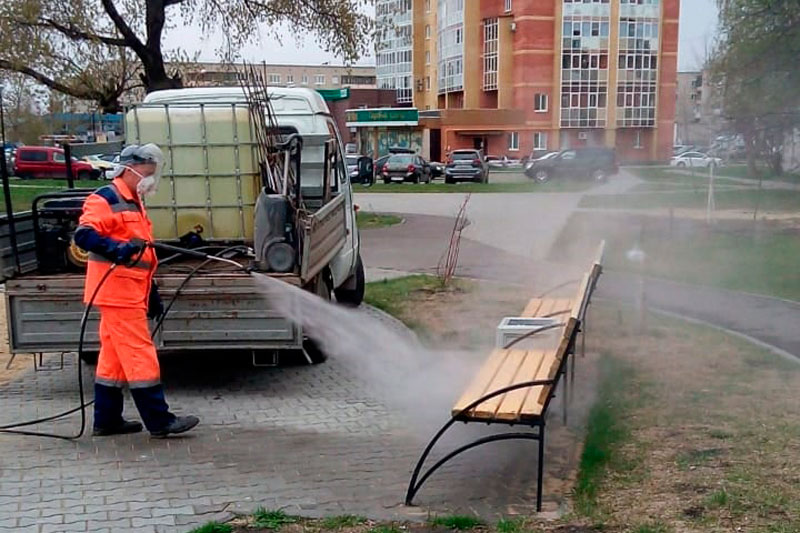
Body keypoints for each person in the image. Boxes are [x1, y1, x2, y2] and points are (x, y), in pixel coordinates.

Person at [74, 144, 199, 438]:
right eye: (147, 173)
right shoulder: (105, 197)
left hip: (132, 290)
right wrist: (116, 249)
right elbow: (84, 234)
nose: (150, 180)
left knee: (113, 358)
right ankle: (159, 420)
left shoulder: (134, 201)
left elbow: (142, 253)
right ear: (129, 169)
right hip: (116, 291)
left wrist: (151, 290)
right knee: (139, 353)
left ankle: (106, 420)